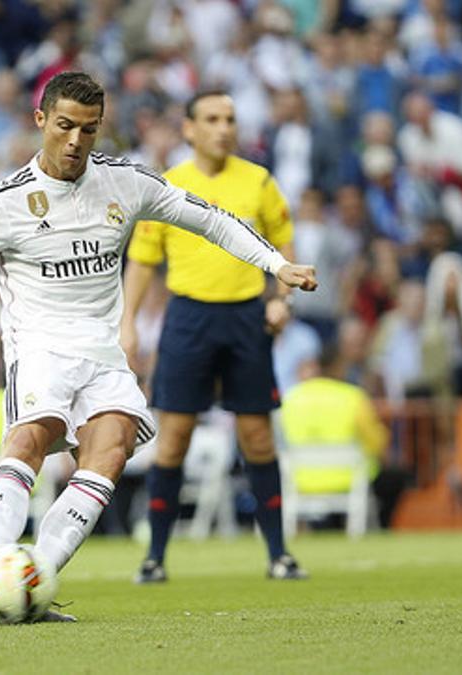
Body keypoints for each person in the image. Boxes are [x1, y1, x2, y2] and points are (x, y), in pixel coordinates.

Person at [0, 72, 317, 624]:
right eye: (64, 126)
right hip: (39, 346)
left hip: (103, 351)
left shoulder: (125, 183)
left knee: (110, 451)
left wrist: (277, 266)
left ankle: (31, 581)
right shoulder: (6, 202)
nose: (74, 141)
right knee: (31, 439)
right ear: (41, 121)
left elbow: (209, 219)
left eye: (88, 130)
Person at [121, 89, 308, 584]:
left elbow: (284, 242)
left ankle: (279, 555)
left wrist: (281, 298)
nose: (223, 127)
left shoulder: (258, 181)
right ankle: (155, 557)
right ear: (188, 129)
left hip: (248, 316)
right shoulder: (167, 185)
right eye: (211, 118)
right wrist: (127, 325)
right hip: (188, 319)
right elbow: (142, 262)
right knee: (174, 438)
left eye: (229, 118)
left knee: (257, 437)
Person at [280, 347, 408, 529]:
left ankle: (325, 527)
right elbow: (376, 442)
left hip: (301, 478)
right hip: (349, 478)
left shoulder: (292, 398)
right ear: (338, 367)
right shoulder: (353, 397)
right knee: (395, 476)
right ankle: (384, 526)